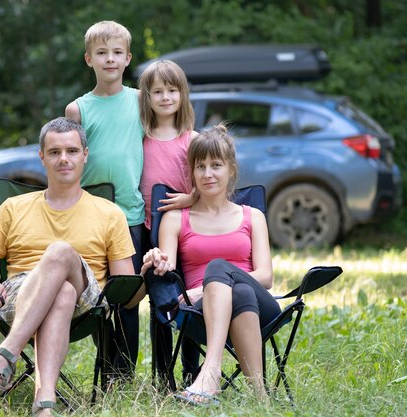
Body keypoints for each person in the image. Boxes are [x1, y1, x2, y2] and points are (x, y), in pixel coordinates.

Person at [0, 117, 135, 416]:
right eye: (55, 152)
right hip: (20, 293)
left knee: (59, 253)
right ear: (42, 156)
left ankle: (6, 354)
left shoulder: (109, 213)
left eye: (71, 151)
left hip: (87, 301)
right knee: (62, 291)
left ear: (85, 154)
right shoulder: (12, 208)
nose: (64, 159)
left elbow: (126, 287)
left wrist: (148, 272)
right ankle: (44, 402)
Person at [141, 123, 281, 404]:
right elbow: (167, 267)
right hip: (200, 313)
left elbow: (265, 278)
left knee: (219, 269)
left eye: (216, 165)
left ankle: (210, 372)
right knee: (237, 292)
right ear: (191, 172)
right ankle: (261, 398)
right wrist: (155, 257)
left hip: (260, 305)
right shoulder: (175, 218)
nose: (207, 174)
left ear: (231, 169)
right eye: (200, 166)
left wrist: (205, 287)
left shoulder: (252, 216)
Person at [65, 20, 144, 379]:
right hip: (93, 218)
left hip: (131, 213)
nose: (109, 59)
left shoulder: (141, 101)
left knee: (126, 298)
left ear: (127, 58)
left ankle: (124, 373)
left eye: (116, 53)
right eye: (101, 53)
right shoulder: (78, 110)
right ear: (88, 59)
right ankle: (107, 367)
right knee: (97, 297)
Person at [137, 59, 199, 384]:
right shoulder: (140, 139)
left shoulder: (192, 140)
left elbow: (209, 186)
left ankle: (192, 371)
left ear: (181, 94)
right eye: (157, 91)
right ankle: (163, 375)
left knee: (187, 299)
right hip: (151, 232)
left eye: (171, 90)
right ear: (146, 96)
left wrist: (190, 199)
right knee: (159, 299)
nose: (165, 97)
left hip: (188, 234)